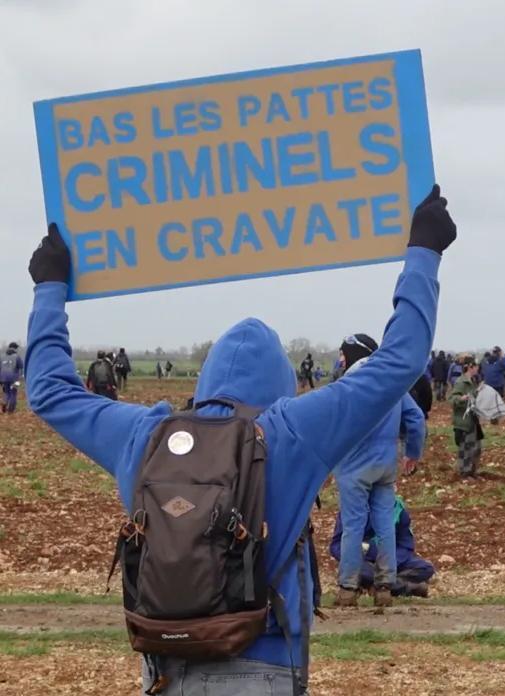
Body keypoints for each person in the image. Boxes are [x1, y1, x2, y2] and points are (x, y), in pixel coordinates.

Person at [25, 183, 456, 695]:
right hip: (263, 666)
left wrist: (49, 287)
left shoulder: (147, 436)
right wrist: (423, 251)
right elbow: (399, 361)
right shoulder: (294, 431)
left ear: (204, 382)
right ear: (280, 386)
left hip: (163, 667)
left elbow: (49, 390)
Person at [332, 333, 426, 609]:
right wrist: (412, 453)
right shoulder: (390, 382)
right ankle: (384, 587)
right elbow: (416, 418)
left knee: (353, 525)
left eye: (342, 352)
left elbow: (330, 424)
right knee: (385, 523)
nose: (340, 358)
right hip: (386, 464)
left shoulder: (348, 384)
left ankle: (348, 589)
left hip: (353, 466)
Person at [329, 497, 434, 598]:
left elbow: (406, 546)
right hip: (364, 561)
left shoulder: (397, 510)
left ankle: (380, 585)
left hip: (390, 560)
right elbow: (336, 546)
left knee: (425, 568)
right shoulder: (352, 509)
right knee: (362, 572)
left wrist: (391, 562)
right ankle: (405, 587)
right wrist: (359, 553)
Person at [450, 354, 484, 478]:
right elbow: (452, 399)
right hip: (463, 422)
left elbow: (473, 397)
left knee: (477, 447)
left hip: (473, 420)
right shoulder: (461, 382)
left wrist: (479, 391)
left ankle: (473, 471)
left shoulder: (473, 381)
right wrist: (462, 398)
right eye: (476, 366)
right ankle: (465, 473)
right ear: (470, 367)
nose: (478, 369)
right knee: (466, 448)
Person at [0, 342, 23, 414]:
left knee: (6, 392)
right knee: (13, 393)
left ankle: (4, 403)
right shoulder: (17, 356)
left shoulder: (2, 356)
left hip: (3, 377)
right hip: (14, 378)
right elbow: (21, 366)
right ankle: (11, 410)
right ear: (15, 348)